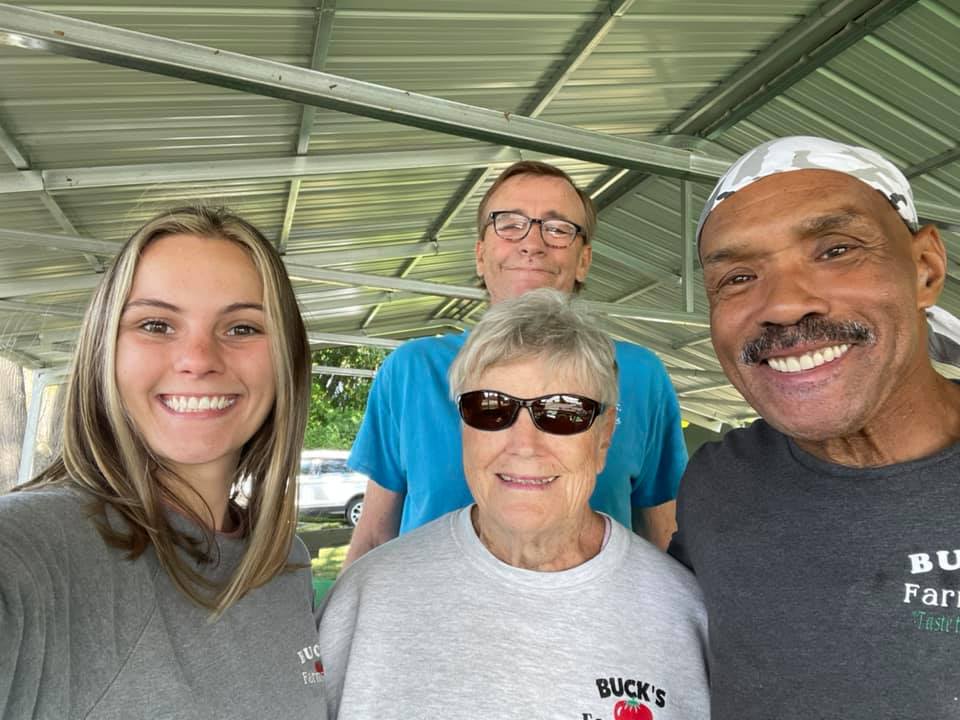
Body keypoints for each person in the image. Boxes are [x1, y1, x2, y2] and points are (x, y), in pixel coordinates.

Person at [669, 136, 960, 718]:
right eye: (737, 278)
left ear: (925, 269)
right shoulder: (719, 485)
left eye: (835, 250)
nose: (782, 305)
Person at [319, 288, 709, 719]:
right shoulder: (367, 598)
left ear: (603, 440)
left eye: (563, 412)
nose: (525, 446)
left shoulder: (683, 612)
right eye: (491, 408)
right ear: (463, 429)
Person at [0, 207, 327, 719]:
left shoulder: (286, 563)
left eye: (242, 328)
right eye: (156, 324)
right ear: (103, 349)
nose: (198, 358)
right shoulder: (39, 548)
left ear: (287, 359)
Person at [346, 161, 686, 563]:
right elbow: (374, 536)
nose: (532, 243)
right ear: (480, 253)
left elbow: (662, 536)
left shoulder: (641, 374)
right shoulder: (410, 370)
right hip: (433, 617)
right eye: (509, 224)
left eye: (557, 229)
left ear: (583, 260)